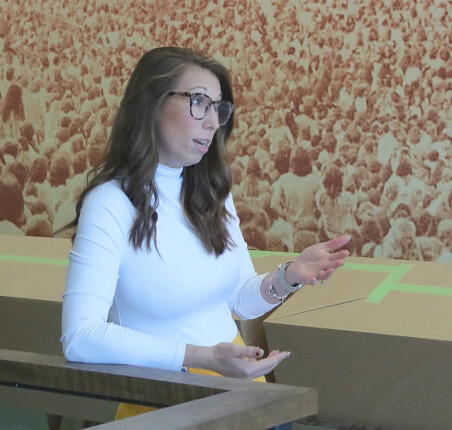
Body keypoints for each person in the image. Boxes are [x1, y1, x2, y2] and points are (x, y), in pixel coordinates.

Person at [60, 46, 350, 395]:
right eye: (198, 102)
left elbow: (240, 302)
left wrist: (288, 278)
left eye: (218, 107)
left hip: (238, 387)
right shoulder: (110, 202)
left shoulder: (212, 190)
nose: (213, 121)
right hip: (164, 394)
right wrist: (203, 358)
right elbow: (81, 337)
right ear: (151, 103)